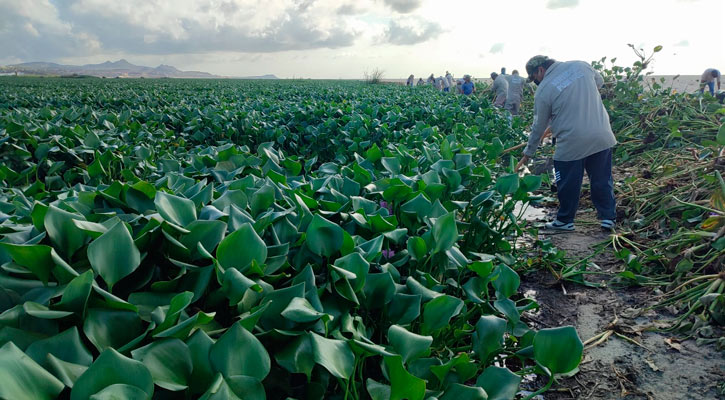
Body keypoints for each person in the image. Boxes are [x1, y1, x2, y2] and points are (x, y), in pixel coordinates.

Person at [515, 55, 617, 232]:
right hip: (601, 134)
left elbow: (538, 126)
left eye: (534, 78)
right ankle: (608, 218)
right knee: (602, 179)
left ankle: (564, 221)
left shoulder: (544, 89)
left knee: (567, 181)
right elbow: (598, 83)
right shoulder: (581, 65)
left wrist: (528, 152)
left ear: (540, 70)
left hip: (572, 141)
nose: (536, 83)